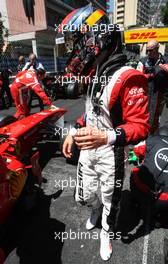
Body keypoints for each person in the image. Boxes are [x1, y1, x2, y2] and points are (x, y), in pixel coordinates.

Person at [62, 4, 150, 261]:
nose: (76, 50)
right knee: (87, 192)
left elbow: (141, 125)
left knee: (112, 197)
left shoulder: (130, 76)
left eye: (79, 42)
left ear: (97, 39)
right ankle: (95, 209)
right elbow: (92, 111)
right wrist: (73, 130)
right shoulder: (95, 74)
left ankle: (106, 233)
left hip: (111, 152)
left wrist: (106, 137)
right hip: (89, 149)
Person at [130, 63, 168, 264]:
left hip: (144, 188)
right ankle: (162, 218)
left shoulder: (152, 140)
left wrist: (143, 157)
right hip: (167, 200)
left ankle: (136, 203)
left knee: (134, 172)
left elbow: (135, 152)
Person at [137, 40, 167, 133]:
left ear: (157, 49)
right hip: (146, 92)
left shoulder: (166, 61)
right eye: (147, 50)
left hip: (161, 93)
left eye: (151, 50)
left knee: (159, 116)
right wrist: (150, 76)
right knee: (144, 114)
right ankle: (144, 134)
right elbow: (137, 77)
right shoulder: (143, 61)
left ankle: (155, 134)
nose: (148, 53)